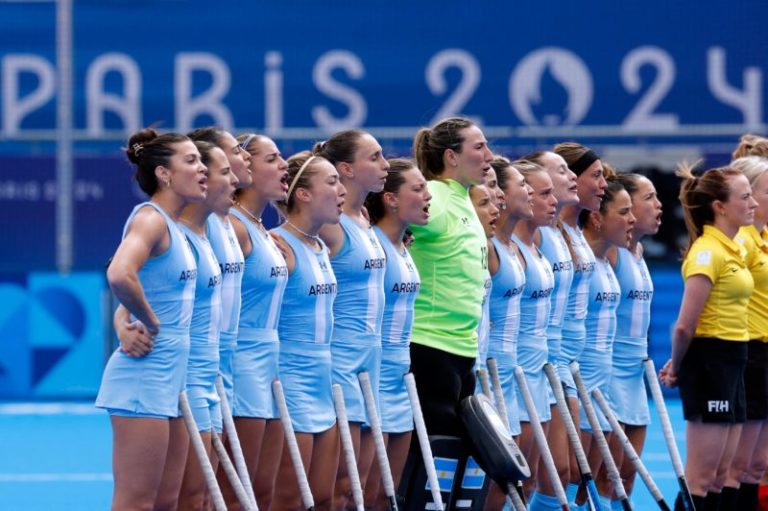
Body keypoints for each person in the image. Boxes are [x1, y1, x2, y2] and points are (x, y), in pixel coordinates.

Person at [95, 128, 207, 510]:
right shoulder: (151, 219)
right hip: (144, 375)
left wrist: (125, 315)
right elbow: (119, 273)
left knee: (167, 502)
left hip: (174, 375)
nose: (202, 168)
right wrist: (151, 321)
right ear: (164, 174)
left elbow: (143, 279)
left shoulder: (175, 226)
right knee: (137, 503)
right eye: (191, 161)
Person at [660, 163, 757, 511]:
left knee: (722, 474)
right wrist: (677, 367)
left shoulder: (734, 249)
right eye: (744, 197)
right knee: (702, 476)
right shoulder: (707, 252)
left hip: (734, 357)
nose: (753, 204)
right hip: (711, 361)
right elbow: (685, 325)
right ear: (720, 206)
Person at [312, 130, 389, 508]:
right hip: (340, 362)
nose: (385, 165)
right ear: (346, 169)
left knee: (367, 488)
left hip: (372, 363)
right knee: (341, 487)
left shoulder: (364, 219)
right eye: (374, 157)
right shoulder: (329, 225)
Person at [407, 117, 493, 443]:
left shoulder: (463, 199)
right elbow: (391, 219)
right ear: (451, 157)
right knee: (432, 466)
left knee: (456, 465)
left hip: (463, 349)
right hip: (430, 348)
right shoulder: (438, 195)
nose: (489, 155)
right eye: (479, 147)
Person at [271, 152, 346, 511]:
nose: (341, 190)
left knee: (324, 499)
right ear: (302, 194)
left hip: (324, 381)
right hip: (289, 380)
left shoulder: (320, 246)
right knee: (288, 500)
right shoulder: (277, 246)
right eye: (331, 182)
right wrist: (124, 317)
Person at [363, 158, 431, 510]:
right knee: (359, 491)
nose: (428, 195)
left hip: (401, 377)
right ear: (390, 199)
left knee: (387, 496)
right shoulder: (371, 243)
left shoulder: (404, 246)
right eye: (417, 189)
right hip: (372, 377)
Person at [176, 140, 238, 509]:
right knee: (188, 497)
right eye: (227, 167)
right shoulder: (181, 224)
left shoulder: (220, 224)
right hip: (191, 367)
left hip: (220, 362)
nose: (236, 170)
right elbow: (125, 272)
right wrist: (126, 319)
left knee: (207, 496)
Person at [229, 132, 290, 510]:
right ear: (245, 167)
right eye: (273, 158)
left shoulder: (262, 231)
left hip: (272, 366)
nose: (284, 165)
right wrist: (126, 317)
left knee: (262, 496)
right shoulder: (234, 227)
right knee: (236, 494)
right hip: (242, 365)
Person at [598, 170, 661, 510]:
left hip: (635, 373)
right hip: (609, 371)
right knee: (605, 476)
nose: (657, 205)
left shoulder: (636, 251)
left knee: (627, 476)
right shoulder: (611, 252)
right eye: (648, 197)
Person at [523, 151, 579, 509]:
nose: (569, 177)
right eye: (561, 171)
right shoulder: (536, 235)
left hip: (561, 356)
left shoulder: (559, 232)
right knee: (548, 469)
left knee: (569, 468)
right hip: (532, 357)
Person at [552, 142, 606, 505]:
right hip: (553, 362)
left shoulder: (577, 234)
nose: (603, 183)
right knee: (561, 472)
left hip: (581, 362)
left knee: (581, 476)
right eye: (595, 176)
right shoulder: (548, 232)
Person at [578, 166, 635, 509]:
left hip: (604, 383)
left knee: (591, 485)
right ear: (597, 219)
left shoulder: (606, 261)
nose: (632, 219)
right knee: (570, 477)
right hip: (580, 381)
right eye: (624, 212)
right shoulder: (581, 260)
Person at [479, 156, 532, 510]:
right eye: (490, 192)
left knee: (519, 478)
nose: (497, 197)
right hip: (486, 366)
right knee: (494, 479)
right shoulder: (487, 248)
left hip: (513, 367)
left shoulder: (514, 247)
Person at [722, 156, 768, 510]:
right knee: (737, 465)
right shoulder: (743, 242)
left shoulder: (762, 237)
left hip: (761, 353)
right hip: (749, 352)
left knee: (757, 464)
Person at [509, 160, 557, 499]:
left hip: (539, 369)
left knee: (531, 480)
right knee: (515, 479)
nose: (550, 200)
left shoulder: (537, 246)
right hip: (516, 371)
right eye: (543, 192)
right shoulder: (507, 249)